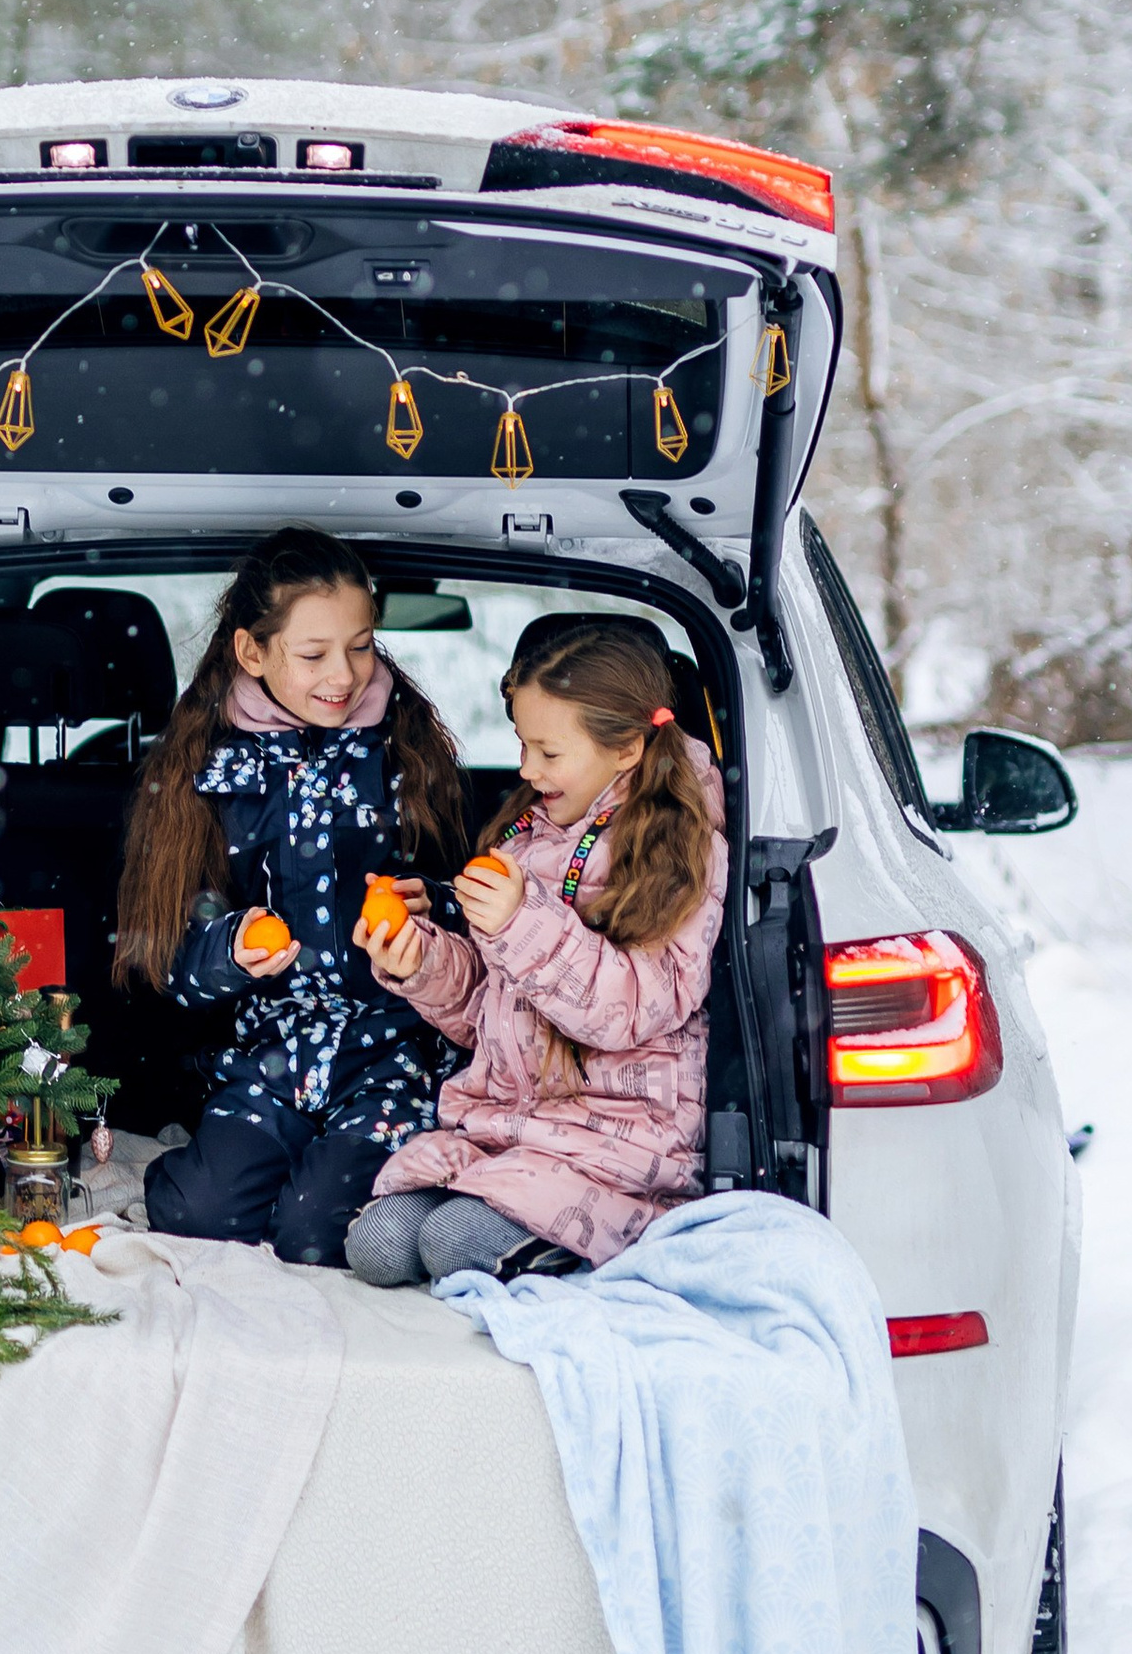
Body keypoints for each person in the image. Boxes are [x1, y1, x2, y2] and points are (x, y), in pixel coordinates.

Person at [117, 529, 468, 1264]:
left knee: (315, 1232)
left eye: (362, 646)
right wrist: (233, 953)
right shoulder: (202, 773)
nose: (343, 674)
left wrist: (436, 908)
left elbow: (484, 913)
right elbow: (165, 958)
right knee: (199, 1214)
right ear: (252, 653)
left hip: (392, 1056)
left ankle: (410, 1174)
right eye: (313, 655)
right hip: (267, 1056)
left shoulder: (409, 754)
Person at [345, 614, 727, 1283]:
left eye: (548, 753)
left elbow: (630, 1010)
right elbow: (489, 1013)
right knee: (376, 1246)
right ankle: (509, 1230)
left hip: (615, 1152)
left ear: (627, 749)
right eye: (522, 744)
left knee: (452, 1242)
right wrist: (424, 961)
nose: (526, 769)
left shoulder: (682, 851)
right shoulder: (527, 839)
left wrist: (522, 920)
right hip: (507, 1133)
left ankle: (590, 1246)